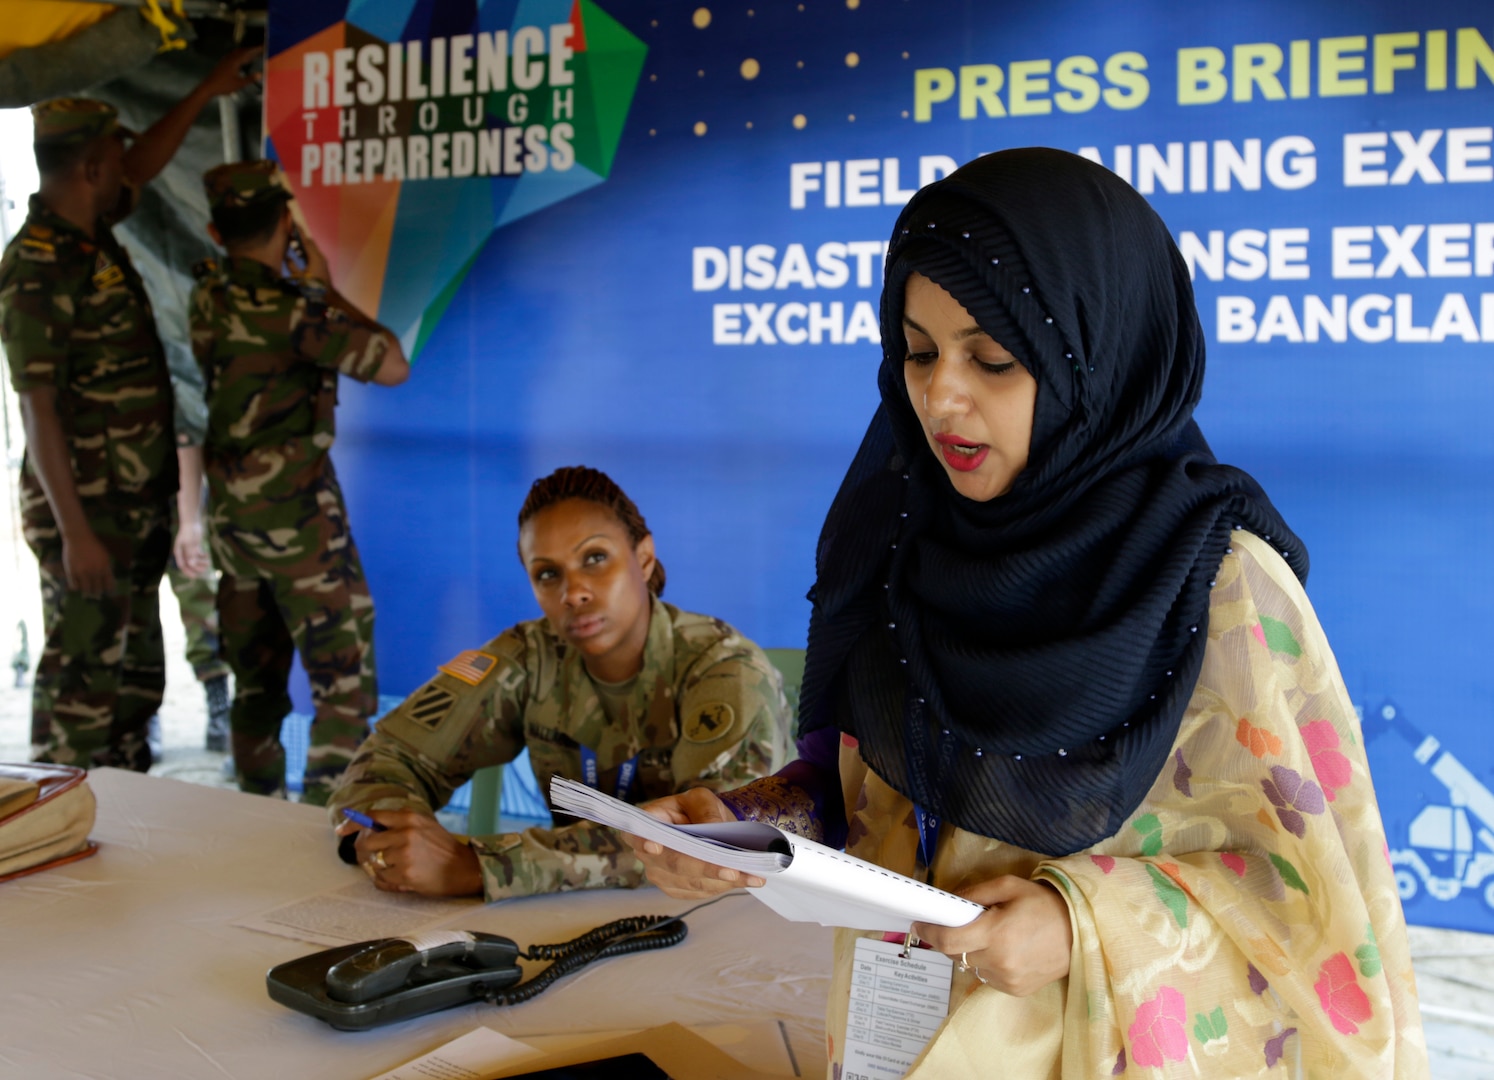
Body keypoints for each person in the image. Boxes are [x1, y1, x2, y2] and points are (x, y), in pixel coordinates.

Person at [627, 150, 1428, 1078]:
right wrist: (747, 828)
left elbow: (1322, 924)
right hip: (901, 1047)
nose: (938, 396)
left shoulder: (1220, 585)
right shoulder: (897, 543)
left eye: (994, 359)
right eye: (917, 351)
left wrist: (1081, 926)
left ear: (1100, 360)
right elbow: (860, 798)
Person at [330, 465, 793, 901]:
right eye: (548, 573)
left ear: (645, 558)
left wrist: (482, 867)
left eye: (595, 558)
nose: (573, 593)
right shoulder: (529, 659)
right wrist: (387, 834)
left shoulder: (723, 667)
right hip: (568, 913)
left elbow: (714, 839)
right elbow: (388, 759)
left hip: (735, 915)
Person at [2, 59, 259, 771]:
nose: (128, 171)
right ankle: (54, 821)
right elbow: (38, 408)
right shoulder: (39, 266)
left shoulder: (92, 231)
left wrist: (207, 90)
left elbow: (141, 162)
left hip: (133, 509)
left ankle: (122, 815)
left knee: (137, 681)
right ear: (89, 168)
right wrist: (76, 534)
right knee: (84, 688)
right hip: (89, 517)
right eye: (114, 159)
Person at [190, 160, 409, 806]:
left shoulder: (206, 295)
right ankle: (320, 822)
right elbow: (392, 362)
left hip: (232, 526)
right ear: (285, 223)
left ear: (213, 229)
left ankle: (254, 809)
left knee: (255, 684)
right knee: (342, 687)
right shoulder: (294, 312)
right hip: (301, 531)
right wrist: (322, 288)